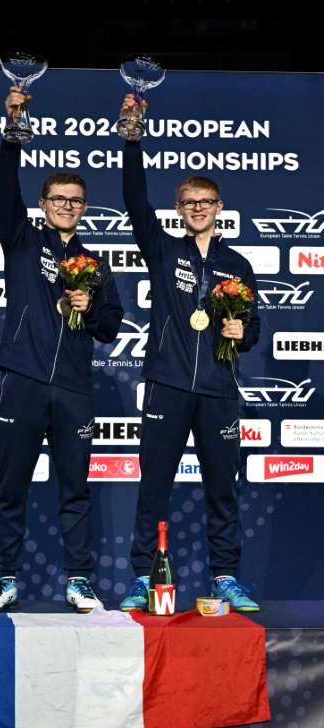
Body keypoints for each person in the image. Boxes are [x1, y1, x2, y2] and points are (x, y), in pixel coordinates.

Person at [118, 93, 261, 613]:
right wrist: (133, 140)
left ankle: (225, 576)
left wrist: (238, 330)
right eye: (188, 203)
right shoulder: (163, 250)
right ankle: (142, 575)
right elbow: (135, 203)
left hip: (220, 391)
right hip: (169, 386)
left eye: (206, 203)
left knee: (222, 490)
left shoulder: (238, 265)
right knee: (153, 486)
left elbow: (254, 329)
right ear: (178, 211)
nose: (197, 209)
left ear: (219, 209)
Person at [0, 86, 124, 614]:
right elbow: (3, 185)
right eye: (58, 199)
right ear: (43, 205)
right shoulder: (21, 239)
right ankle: (3, 578)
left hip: (73, 388)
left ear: (85, 210)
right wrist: (13, 130)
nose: (67, 206)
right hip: (22, 378)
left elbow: (112, 327)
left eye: (76, 201)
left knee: (76, 490)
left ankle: (80, 580)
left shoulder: (96, 263)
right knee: (11, 486)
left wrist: (88, 306)